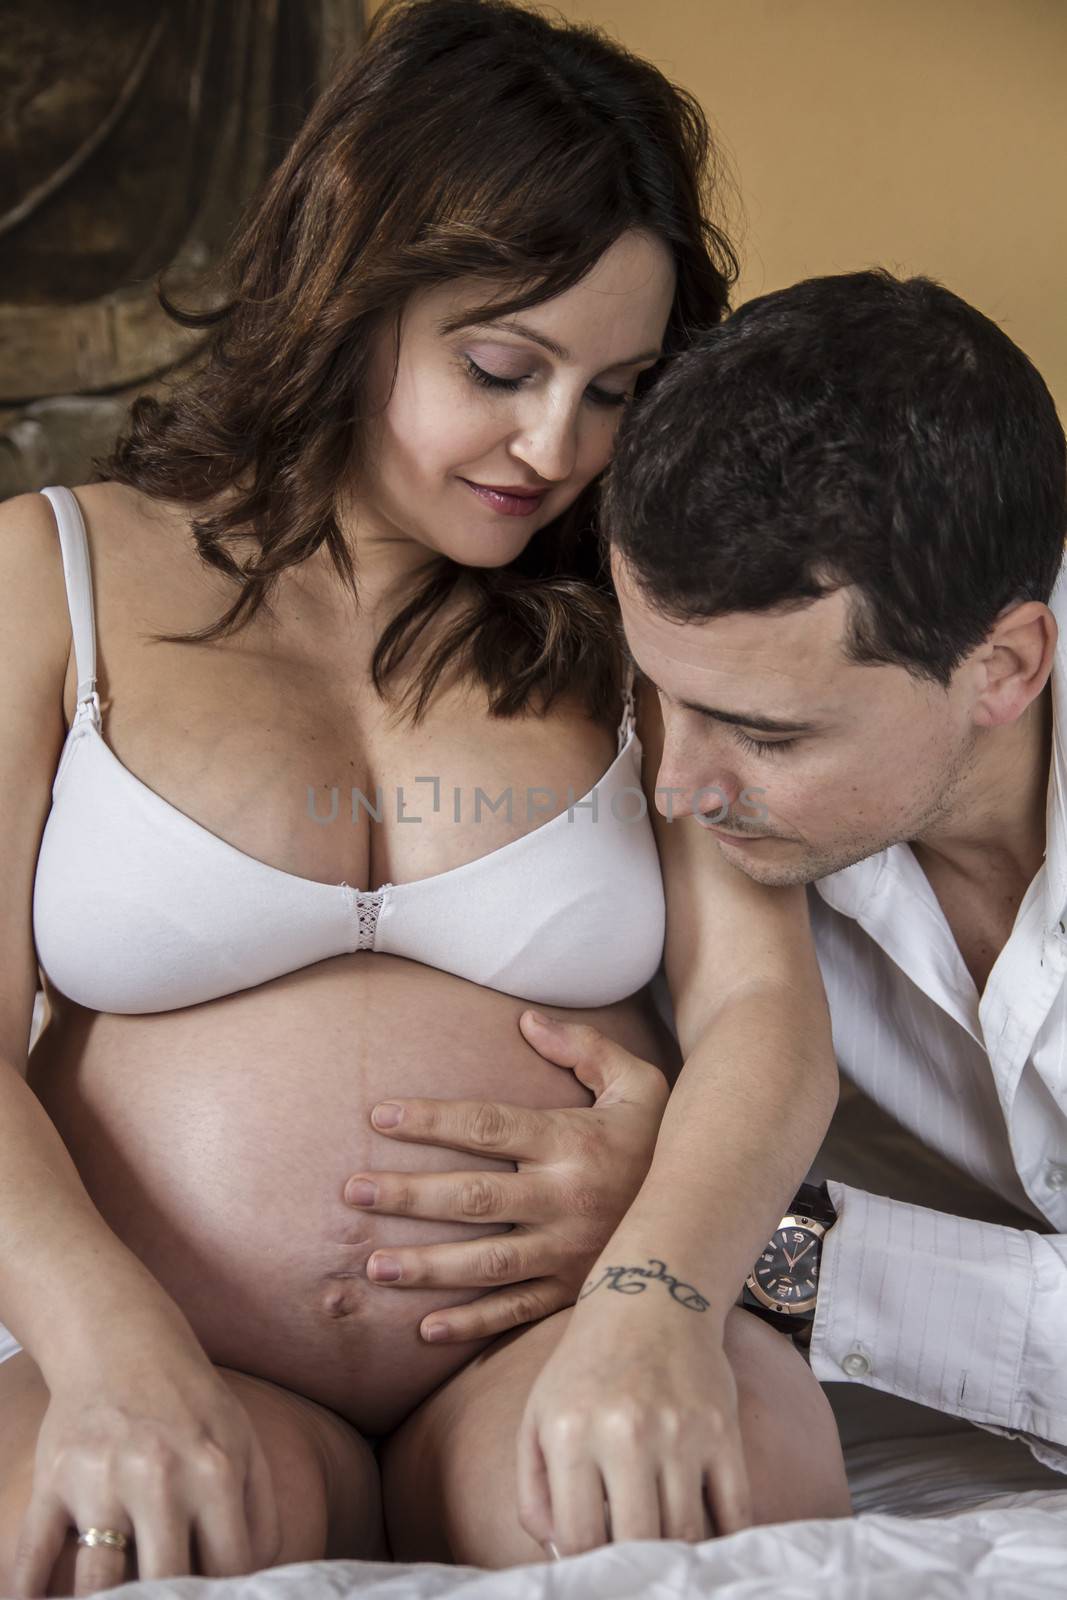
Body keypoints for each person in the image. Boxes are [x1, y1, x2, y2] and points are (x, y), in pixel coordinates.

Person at [0, 0, 848, 1592]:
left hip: (550, 1351)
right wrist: (111, 1358)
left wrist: (655, 1308)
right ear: (347, 296)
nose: (554, 445)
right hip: (171, 1356)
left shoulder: (638, 615)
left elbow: (759, 1011)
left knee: (706, 1493)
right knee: (70, 1542)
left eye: (614, 390)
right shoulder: (51, 576)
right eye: (500, 365)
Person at [590, 265, 1065, 1484]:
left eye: (767, 734)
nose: (676, 787)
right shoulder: (717, 839)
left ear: (1004, 665)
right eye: (662, 694)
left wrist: (750, 1244)